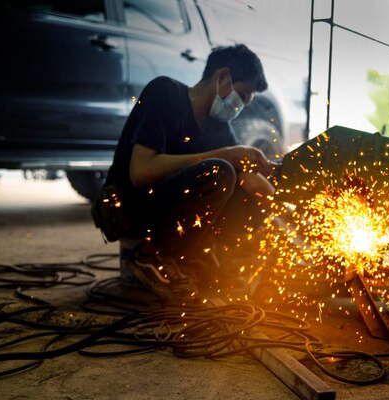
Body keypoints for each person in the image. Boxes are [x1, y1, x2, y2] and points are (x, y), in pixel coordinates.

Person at [96, 44, 276, 303]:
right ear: (223, 77)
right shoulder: (165, 93)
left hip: (168, 213)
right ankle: (150, 257)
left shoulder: (217, 125)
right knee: (220, 171)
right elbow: (140, 172)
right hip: (133, 207)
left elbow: (250, 182)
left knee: (249, 194)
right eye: (242, 96)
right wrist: (226, 154)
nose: (241, 107)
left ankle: (194, 256)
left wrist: (282, 202)